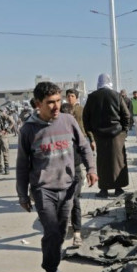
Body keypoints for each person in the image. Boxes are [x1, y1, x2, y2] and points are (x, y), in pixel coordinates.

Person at [17, 82, 97, 272]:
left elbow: (84, 147)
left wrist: (91, 169)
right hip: (44, 189)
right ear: (37, 104)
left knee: (59, 233)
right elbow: (22, 165)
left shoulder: (68, 121)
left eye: (58, 101)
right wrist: (22, 194)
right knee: (52, 231)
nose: (56, 106)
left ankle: (52, 263)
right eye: (50, 102)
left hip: (69, 186)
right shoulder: (28, 130)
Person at [82, 73, 131, 198]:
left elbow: (86, 117)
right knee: (118, 162)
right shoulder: (116, 95)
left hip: (99, 135)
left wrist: (90, 134)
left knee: (102, 162)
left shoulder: (92, 97)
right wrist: (124, 131)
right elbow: (126, 115)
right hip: (117, 135)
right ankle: (118, 189)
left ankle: (103, 189)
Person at [60, 102, 85, 246]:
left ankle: (77, 233)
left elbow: (85, 151)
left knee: (74, 200)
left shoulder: (77, 132)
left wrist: (91, 170)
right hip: (59, 172)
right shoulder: (54, 131)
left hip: (75, 170)